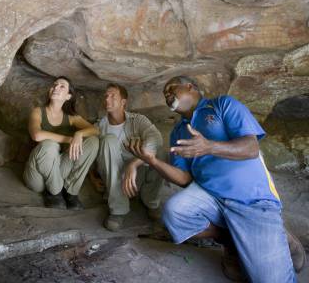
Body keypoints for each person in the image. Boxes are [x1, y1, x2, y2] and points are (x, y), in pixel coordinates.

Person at [127, 75, 306, 283]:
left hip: (251, 199)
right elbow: (185, 178)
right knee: (175, 213)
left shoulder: (222, 105)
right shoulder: (177, 131)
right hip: (210, 196)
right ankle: (233, 239)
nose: (167, 94)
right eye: (164, 93)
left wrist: (209, 146)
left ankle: (274, 236)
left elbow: (251, 147)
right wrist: (153, 161)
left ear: (190, 87)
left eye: (171, 88)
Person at [23, 76, 99, 210]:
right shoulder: (38, 112)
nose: (56, 88)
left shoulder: (71, 117)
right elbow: (37, 135)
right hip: (37, 177)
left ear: (69, 96)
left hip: (58, 170)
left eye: (62, 86)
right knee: (49, 145)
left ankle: (71, 192)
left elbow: (95, 130)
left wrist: (78, 134)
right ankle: (55, 192)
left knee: (93, 142)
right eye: (54, 85)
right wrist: (70, 140)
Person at [96, 83, 164, 231]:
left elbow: (156, 139)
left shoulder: (137, 120)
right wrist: (92, 177)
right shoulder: (99, 126)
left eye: (113, 95)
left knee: (161, 153)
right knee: (107, 140)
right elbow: (93, 156)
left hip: (136, 175)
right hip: (114, 177)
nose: (107, 99)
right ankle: (118, 210)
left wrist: (134, 164)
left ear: (123, 102)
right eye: (106, 96)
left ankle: (150, 202)